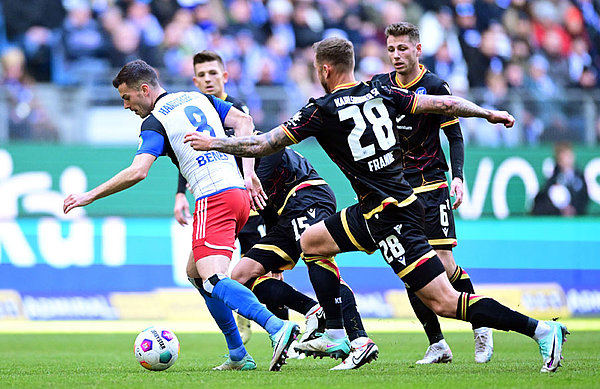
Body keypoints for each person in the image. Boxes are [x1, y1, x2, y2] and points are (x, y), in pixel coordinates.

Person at [184, 37, 569, 373]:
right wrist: (486, 112)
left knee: (445, 302)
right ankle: (336, 333)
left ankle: (540, 330)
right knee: (313, 241)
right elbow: (443, 103)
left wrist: (214, 142)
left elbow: (262, 144)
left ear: (324, 69)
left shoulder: (322, 109)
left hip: (393, 216)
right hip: (374, 209)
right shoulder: (380, 91)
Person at [63, 59, 299, 372]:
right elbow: (244, 121)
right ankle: (239, 354)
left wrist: (89, 196)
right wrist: (247, 173)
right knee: (197, 274)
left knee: (214, 279)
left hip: (214, 197)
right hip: (239, 196)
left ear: (144, 90)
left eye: (127, 97)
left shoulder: (156, 120)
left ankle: (277, 328)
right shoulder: (198, 98)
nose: (125, 105)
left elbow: (138, 171)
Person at [176, 51, 378, 369]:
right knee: (242, 274)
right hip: (286, 214)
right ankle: (309, 314)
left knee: (320, 258)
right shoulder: (229, 166)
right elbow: (266, 207)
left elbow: (265, 164)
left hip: (309, 198)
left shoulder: (256, 150)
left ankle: (356, 337)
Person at [371, 22, 492, 364]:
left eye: (403, 49)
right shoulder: (380, 86)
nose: (396, 55)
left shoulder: (435, 86)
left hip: (431, 184)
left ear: (417, 50)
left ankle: (481, 325)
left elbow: (454, 135)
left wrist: (458, 177)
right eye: (391, 49)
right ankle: (437, 343)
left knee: (443, 263)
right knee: (411, 267)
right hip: (396, 189)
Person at [172, 50, 268, 345]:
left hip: (243, 195)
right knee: (211, 272)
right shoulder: (195, 110)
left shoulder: (234, 110)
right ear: (194, 80)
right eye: (201, 75)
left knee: (262, 268)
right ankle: (250, 329)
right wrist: (179, 192)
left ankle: (277, 326)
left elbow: (251, 144)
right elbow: (189, 152)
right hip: (218, 196)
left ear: (224, 76)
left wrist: (249, 177)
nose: (207, 79)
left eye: (212, 73)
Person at [532, 141, 589, 216]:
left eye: (569, 156)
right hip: (557, 217)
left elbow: (584, 197)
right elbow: (544, 198)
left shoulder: (579, 176)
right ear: (559, 160)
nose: (568, 159)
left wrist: (574, 209)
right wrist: (561, 210)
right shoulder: (553, 178)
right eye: (565, 156)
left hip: (576, 217)